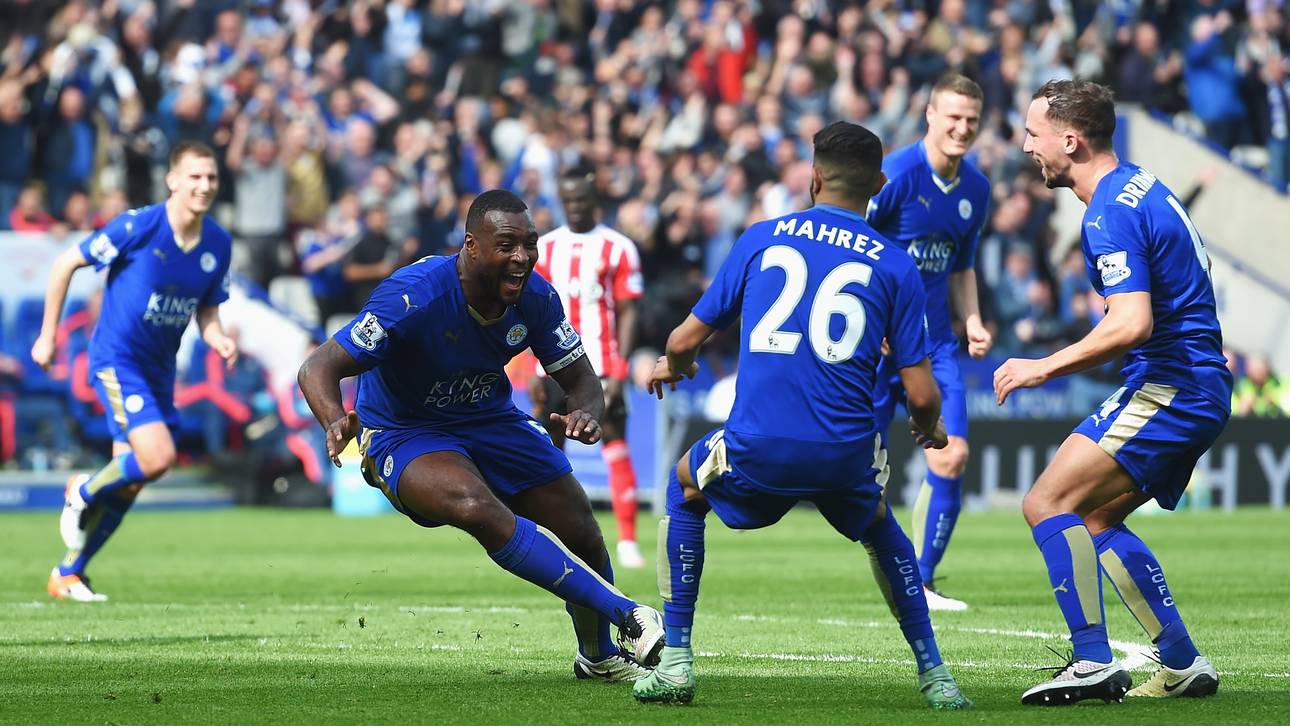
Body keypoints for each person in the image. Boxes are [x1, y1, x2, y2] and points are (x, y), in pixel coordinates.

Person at [632, 122, 971, 710]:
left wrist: (674, 366)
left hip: (756, 448)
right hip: (843, 455)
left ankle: (678, 661)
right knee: (880, 528)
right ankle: (935, 675)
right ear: (881, 186)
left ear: (814, 177)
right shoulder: (894, 265)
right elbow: (921, 394)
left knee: (685, 486)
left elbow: (684, 339)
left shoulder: (761, 238)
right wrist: (930, 428)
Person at [296, 189, 664, 682]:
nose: (523, 258)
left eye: (529, 244)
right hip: (405, 431)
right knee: (475, 505)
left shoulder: (536, 297)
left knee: (580, 527)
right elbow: (318, 367)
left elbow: (581, 382)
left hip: (490, 420)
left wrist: (587, 413)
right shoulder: (413, 296)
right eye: (508, 246)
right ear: (471, 246)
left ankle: (596, 656)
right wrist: (333, 419)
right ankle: (626, 613)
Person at [997, 79, 1229, 705]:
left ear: (1069, 140)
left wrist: (1042, 366)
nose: (1026, 147)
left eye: (1032, 133)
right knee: (1094, 517)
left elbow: (1131, 323)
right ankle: (1181, 662)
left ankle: (1092, 662)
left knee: (1047, 503)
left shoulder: (1108, 210)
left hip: (1171, 383)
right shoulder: (1141, 185)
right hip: (1196, 383)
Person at [31, 141, 239, 602]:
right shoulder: (139, 226)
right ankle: (81, 489)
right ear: (173, 180)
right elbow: (67, 263)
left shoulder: (218, 243)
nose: (204, 186)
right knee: (158, 457)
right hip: (117, 360)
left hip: (160, 370)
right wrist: (47, 337)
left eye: (211, 178)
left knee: (135, 479)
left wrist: (218, 337)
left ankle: (69, 573)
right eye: (195, 176)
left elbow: (207, 310)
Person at [866, 73, 992, 611]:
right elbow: (857, 252)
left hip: (935, 345)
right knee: (854, 475)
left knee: (952, 453)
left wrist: (974, 320)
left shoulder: (977, 190)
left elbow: (961, 266)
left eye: (972, 120)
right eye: (954, 117)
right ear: (930, 116)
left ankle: (921, 579)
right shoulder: (894, 174)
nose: (962, 128)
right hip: (874, 351)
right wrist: (874, 324)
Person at [530, 165, 647, 569]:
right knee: (549, 449)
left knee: (614, 441)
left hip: (600, 365)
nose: (575, 208)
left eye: (581, 200)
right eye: (568, 201)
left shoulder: (618, 247)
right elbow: (531, 313)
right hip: (553, 368)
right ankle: (548, 537)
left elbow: (629, 311)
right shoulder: (544, 248)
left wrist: (619, 370)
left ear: (594, 200)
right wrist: (534, 369)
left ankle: (628, 539)